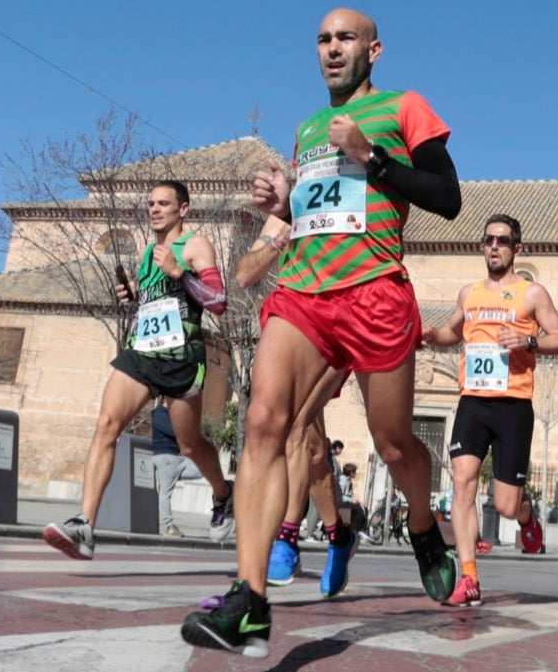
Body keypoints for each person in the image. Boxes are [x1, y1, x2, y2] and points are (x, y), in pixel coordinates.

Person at [182, 7, 463, 658]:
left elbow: (446, 196)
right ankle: (250, 601)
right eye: (324, 39)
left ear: (374, 49)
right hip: (304, 292)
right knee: (264, 423)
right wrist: (283, 205)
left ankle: (425, 529)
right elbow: (319, 208)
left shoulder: (404, 106)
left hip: (375, 293)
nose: (333, 48)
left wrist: (373, 157)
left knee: (394, 444)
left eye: (346, 38)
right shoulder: (307, 129)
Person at [44, 181, 236, 560]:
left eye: (163, 203)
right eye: (150, 203)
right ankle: (84, 525)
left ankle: (223, 494)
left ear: (183, 209)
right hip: (142, 351)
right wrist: (135, 295)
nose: (154, 209)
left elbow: (218, 301)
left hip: (180, 356)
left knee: (189, 445)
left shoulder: (195, 245)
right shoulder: (148, 252)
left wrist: (180, 272)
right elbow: (157, 302)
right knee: (106, 424)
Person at [422, 214, 558, 606]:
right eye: (489, 240)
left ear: (517, 248)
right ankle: (469, 578)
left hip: (513, 405)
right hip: (472, 401)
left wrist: (528, 340)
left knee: (505, 506)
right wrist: (431, 336)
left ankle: (526, 514)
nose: (494, 246)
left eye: (502, 241)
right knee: (462, 481)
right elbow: (452, 331)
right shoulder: (468, 293)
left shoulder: (531, 293)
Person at [234, 212, 360, 597]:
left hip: (343, 320)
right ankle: (338, 536)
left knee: (297, 429)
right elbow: (244, 274)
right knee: (313, 450)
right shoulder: (288, 208)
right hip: (294, 323)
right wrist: (278, 239)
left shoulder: (355, 192)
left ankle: (287, 539)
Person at [148, 399, 198, 538]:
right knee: (165, 493)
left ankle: (170, 476)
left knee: (201, 469)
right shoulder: (159, 413)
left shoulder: (174, 413)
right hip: (166, 456)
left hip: (179, 457)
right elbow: (175, 432)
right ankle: (169, 527)